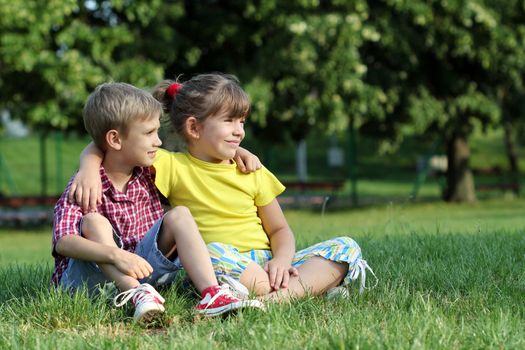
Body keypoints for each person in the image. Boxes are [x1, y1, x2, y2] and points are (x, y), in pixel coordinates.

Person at [74, 74, 374, 301]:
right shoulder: (170, 165)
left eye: (242, 121)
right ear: (194, 128)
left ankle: (275, 299)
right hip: (221, 265)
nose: (239, 130)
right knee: (213, 251)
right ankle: (305, 290)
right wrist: (88, 166)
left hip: (268, 265)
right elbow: (116, 141)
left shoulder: (252, 169)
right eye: (230, 121)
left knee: (346, 246)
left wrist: (281, 261)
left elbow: (280, 230)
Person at [52, 82, 263, 323]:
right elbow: (63, 242)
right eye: (149, 133)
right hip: (92, 280)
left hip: (144, 270)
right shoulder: (84, 185)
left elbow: (202, 150)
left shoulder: (149, 172)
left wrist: (237, 152)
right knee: (94, 222)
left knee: (180, 214)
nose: (158, 142)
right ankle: (134, 294)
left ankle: (212, 294)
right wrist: (115, 255)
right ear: (115, 140)